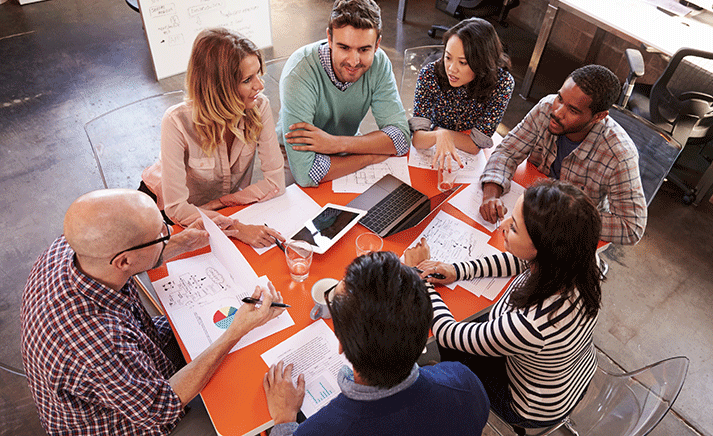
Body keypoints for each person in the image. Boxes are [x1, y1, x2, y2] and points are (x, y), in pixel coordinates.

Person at [20, 189, 285, 435]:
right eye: (160, 235)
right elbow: (162, 406)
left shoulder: (72, 248)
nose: (169, 233)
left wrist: (182, 243)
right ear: (123, 261)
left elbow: (132, 257)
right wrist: (235, 330)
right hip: (120, 422)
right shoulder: (98, 344)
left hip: (139, 350)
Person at [405, 180, 603, 429]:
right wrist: (459, 270)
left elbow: (447, 333)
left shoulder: (532, 324)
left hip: (529, 404)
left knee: (454, 347)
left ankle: (451, 387)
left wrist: (420, 277)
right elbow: (522, 261)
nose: (504, 225)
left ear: (543, 248)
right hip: (574, 373)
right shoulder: (581, 259)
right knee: (474, 324)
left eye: (515, 229)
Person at [263, 252, 490, 436]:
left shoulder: (323, 429)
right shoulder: (464, 383)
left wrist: (284, 422)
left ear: (340, 343)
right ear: (424, 335)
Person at [141, 28, 286, 249]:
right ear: (219, 87)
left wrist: (218, 204)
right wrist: (236, 228)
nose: (260, 85)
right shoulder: (176, 122)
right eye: (248, 79)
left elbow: (276, 182)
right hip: (162, 208)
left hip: (218, 208)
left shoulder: (259, 106)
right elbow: (177, 208)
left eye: (259, 73)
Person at [479, 64, 646, 245]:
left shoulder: (619, 155)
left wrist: (562, 217)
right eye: (560, 98)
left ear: (599, 117)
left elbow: (631, 227)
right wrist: (491, 195)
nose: (557, 112)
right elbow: (507, 152)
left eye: (573, 110)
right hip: (527, 209)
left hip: (567, 233)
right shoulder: (546, 108)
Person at [277, 0, 410, 187]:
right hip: (293, 155)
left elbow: (400, 139)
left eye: (364, 49)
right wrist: (370, 156)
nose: (354, 62)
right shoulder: (299, 73)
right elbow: (307, 174)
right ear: (329, 39)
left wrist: (336, 143)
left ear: (377, 45)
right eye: (344, 47)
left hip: (345, 146)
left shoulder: (380, 62)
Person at [410, 17, 514, 171]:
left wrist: (440, 132)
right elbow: (418, 139)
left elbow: (475, 145)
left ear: (482, 62)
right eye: (448, 57)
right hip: (434, 148)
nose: (451, 69)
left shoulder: (502, 83)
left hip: (468, 158)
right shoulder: (430, 74)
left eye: (463, 62)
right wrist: (439, 135)